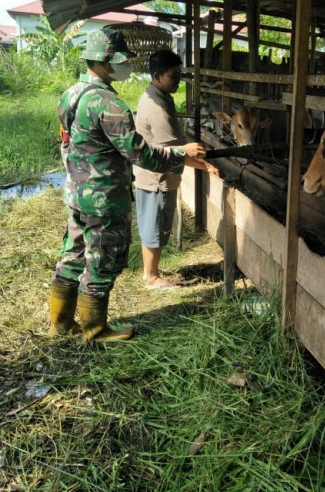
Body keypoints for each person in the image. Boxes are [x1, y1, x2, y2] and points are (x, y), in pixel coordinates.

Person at [49, 27, 214, 342]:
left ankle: (61, 323)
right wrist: (183, 153)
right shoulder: (109, 104)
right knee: (102, 260)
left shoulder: (70, 94)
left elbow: (68, 142)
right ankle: (95, 329)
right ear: (103, 62)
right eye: (121, 61)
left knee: (74, 255)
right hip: (104, 197)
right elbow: (141, 154)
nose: (126, 66)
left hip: (76, 193)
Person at [133, 49, 218, 289]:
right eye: (173, 76)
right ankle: (152, 278)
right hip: (157, 178)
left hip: (149, 175)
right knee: (156, 226)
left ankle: (149, 272)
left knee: (151, 224)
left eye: (179, 75)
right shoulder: (158, 109)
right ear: (157, 76)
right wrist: (205, 165)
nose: (178, 80)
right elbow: (172, 155)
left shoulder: (156, 95)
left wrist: (201, 163)